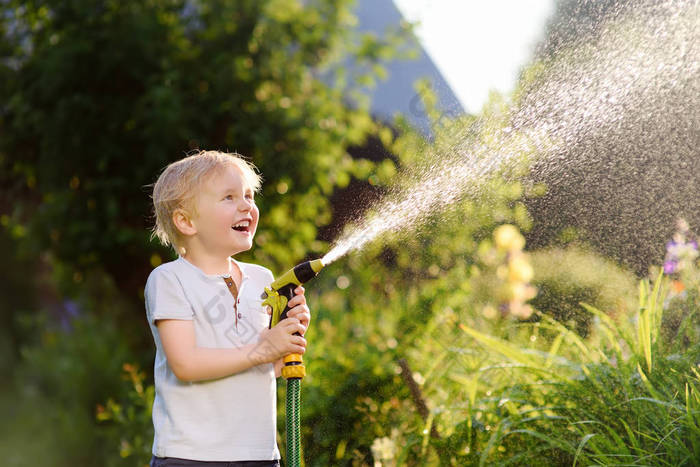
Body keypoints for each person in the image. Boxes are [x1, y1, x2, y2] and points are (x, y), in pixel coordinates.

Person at [145, 150, 310, 466]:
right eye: (230, 198)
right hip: (192, 456)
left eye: (249, 196)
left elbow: (269, 369)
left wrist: (289, 337)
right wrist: (263, 349)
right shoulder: (170, 280)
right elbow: (186, 364)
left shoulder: (263, 279)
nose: (247, 206)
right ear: (186, 221)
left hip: (259, 455)